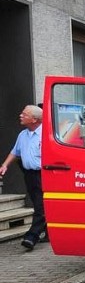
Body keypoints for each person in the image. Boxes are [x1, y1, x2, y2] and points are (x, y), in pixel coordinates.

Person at [0, 105, 46, 250]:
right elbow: (15, 152)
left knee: (40, 206)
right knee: (38, 203)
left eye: (24, 114)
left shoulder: (46, 134)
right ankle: (49, 233)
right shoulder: (23, 135)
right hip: (29, 175)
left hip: (43, 175)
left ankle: (32, 236)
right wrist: (5, 165)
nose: (20, 115)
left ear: (34, 119)